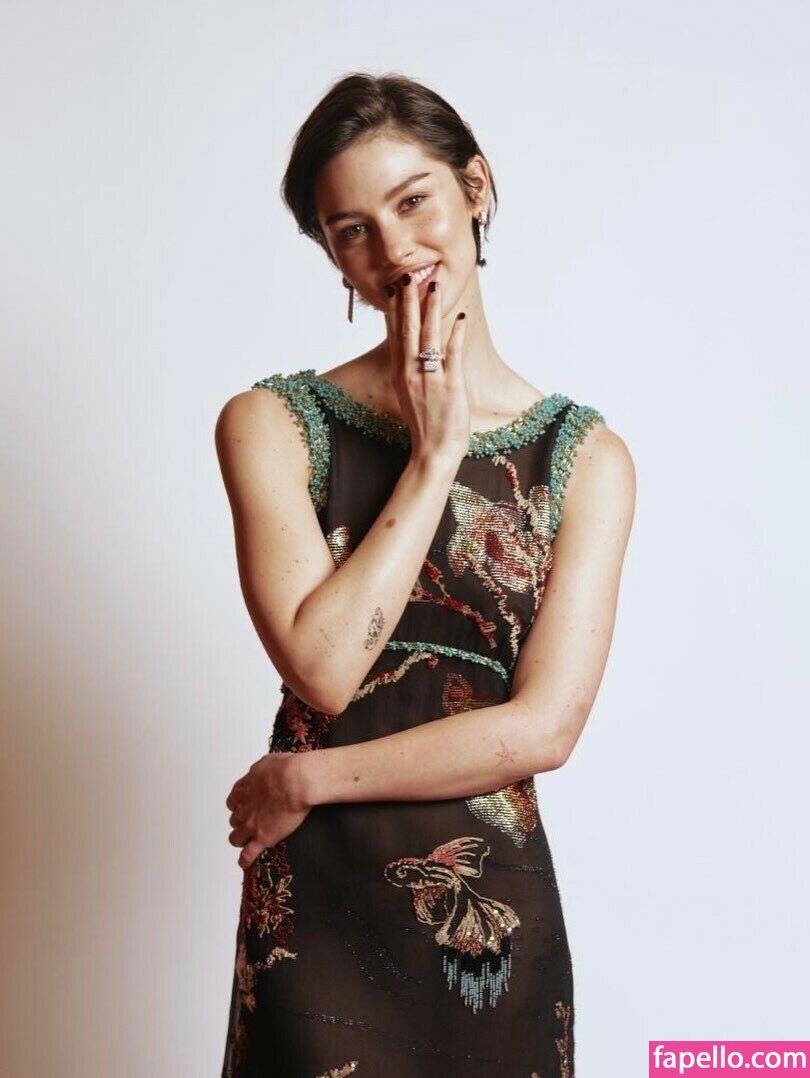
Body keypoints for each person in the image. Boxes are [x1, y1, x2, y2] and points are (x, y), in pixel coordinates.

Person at [215, 71, 635, 1078]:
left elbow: (544, 729)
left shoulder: (586, 459)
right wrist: (435, 453)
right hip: (317, 914)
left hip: (489, 914)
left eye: (414, 201)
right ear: (330, 253)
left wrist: (308, 777)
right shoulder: (275, 425)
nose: (395, 249)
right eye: (352, 230)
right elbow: (325, 669)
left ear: (474, 188)